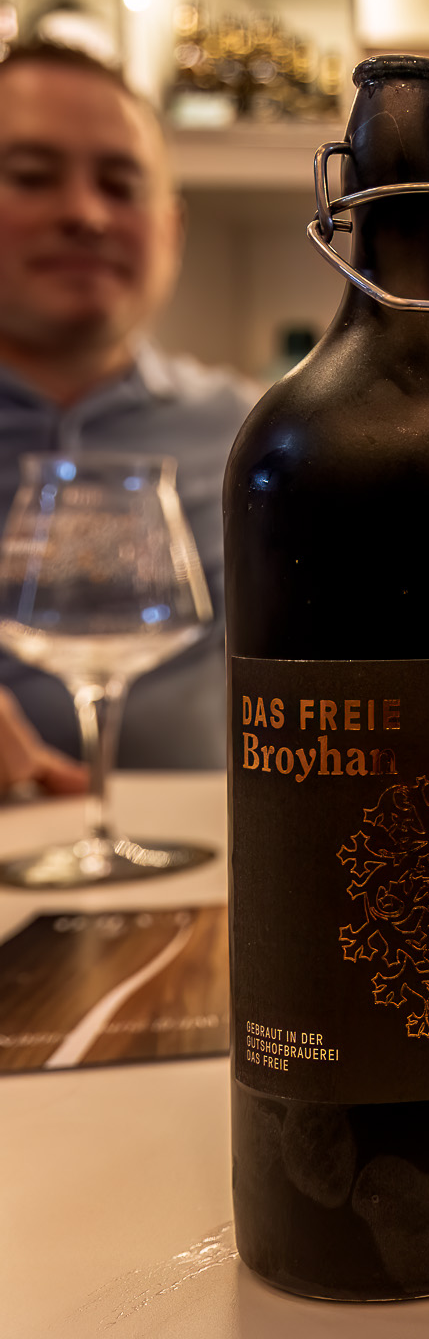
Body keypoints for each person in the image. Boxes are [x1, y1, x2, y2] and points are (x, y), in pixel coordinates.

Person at [0, 40, 253, 782]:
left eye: (120, 185)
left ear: (171, 229)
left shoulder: (257, 435)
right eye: (31, 177)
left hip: (202, 855)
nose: (85, 214)